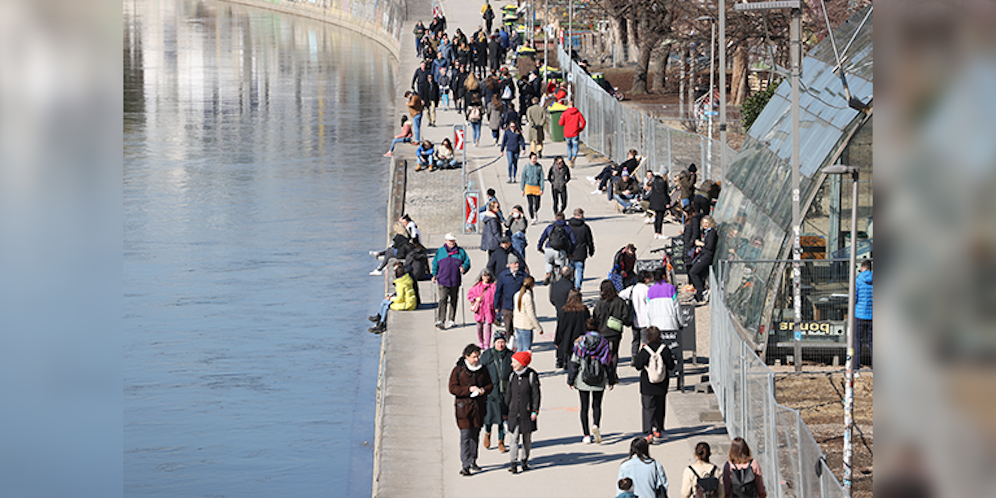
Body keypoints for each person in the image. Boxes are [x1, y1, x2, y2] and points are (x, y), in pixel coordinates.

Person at [448, 344, 493, 476]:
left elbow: (490, 385)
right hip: (464, 409)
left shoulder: (483, 369)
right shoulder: (458, 370)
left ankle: (473, 460)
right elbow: (452, 388)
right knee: (465, 437)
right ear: (466, 356)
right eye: (474, 357)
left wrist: (483, 390)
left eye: (478, 356)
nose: (476, 359)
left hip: (479, 408)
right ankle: (465, 465)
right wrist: (468, 390)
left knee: (475, 436)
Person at [567, 325, 614, 443]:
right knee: (597, 405)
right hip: (599, 378)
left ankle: (586, 435)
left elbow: (574, 362)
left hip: (583, 379)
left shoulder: (580, 343)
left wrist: (571, 379)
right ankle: (596, 425)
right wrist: (611, 379)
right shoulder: (604, 343)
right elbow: (608, 363)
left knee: (584, 407)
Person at [633, 326, 676, 443]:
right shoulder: (664, 349)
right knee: (660, 406)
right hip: (662, 383)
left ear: (648, 337)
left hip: (647, 383)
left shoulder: (645, 350)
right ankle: (658, 429)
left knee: (648, 407)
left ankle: (648, 432)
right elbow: (671, 366)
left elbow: (638, 366)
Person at [505, 350, 541, 474]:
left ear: (522, 363)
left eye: (514, 362)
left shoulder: (531, 375)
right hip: (514, 413)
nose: (512, 364)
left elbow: (536, 395)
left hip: (527, 413)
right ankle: (513, 463)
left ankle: (524, 460)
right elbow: (508, 395)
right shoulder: (512, 376)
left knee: (527, 439)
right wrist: (505, 411)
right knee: (513, 439)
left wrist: (535, 410)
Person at [480, 332, 512, 453]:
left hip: (505, 392)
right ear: (494, 343)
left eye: (502, 342)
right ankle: (487, 433)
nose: (500, 344)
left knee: (502, 419)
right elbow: (481, 370)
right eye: (498, 342)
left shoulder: (510, 355)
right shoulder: (487, 355)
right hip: (491, 392)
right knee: (489, 417)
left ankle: (501, 441)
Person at [432, 233, 472, 329]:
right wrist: (434, 274)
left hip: (455, 280)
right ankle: (441, 320)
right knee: (443, 299)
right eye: (450, 240)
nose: (452, 242)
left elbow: (467, 262)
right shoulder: (440, 251)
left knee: (454, 300)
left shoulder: (460, 251)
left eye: (453, 240)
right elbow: (435, 264)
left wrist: (464, 268)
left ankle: (451, 319)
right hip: (442, 279)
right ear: (446, 241)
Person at [592, 279, 631, 373]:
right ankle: (613, 372)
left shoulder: (600, 303)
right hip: (615, 332)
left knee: (603, 352)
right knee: (614, 352)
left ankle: (605, 371)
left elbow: (595, 317)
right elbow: (626, 316)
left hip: (603, 331)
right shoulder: (620, 301)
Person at [367, 264, 417, 333]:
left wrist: (391, 299)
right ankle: (380, 318)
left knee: (386, 306)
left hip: (407, 304)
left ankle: (381, 324)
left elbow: (400, 298)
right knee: (385, 301)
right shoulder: (406, 279)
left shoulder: (400, 283)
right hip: (411, 302)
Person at [536, 211, 577, 285]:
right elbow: (573, 241)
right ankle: (559, 282)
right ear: (564, 219)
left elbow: (542, 238)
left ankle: (548, 273)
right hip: (561, 251)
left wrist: (539, 247)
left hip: (549, 249)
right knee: (561, 269)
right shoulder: (567, 228)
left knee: (548, 262)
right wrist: (570, 252)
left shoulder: (550, 227)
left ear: (555, 219)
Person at [621, 270, 654, 357]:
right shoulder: (647, 290)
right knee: (645, 341)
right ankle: (645, 357)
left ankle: (634, 356)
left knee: (635, 340)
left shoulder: (632, 288)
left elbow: (621, 295)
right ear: (645, 279)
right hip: (645, 320)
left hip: (634, 319)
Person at [555, 289, 589, 369]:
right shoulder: (584, 310)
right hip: (580, 338)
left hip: (568, 338)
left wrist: (557, 340)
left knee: (570, 358)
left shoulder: (564, 311)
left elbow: (560, 327)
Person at [494, 253, 527, 337]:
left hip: (519, 306)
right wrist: (497, 306)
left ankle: (520, 342)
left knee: (520, 327)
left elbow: (528, 290)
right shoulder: (503, 275)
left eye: (517, 263)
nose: (517, 265)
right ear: (509, 265)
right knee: (508, 328)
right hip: (507, 306)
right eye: (515, 263)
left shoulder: (523, 275)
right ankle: (510, 342)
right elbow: (498, 291)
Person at [689, 216, 718, 303]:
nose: (705, 224)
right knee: (700, 275)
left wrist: (701, 244)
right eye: (703, 223)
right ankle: (699, 296)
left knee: (693, 272)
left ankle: (702, 290)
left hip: (707, 256)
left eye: (707, 223)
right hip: (704, 254)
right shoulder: (706, 232)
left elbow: (709, 246)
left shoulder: (712, 233)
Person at [467, 269, 498, 349]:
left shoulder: (493, 286)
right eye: (485, 276)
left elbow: (498, 297)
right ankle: (481, 341)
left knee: (488, 326)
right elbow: (469, 294)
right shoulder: (477, 286)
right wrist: (475, 298)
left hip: (489, 308)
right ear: (481, 276)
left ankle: (487, 344)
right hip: (480, 309)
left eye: (488, 276)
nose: (486, 278)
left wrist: (497, 306)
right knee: (479, 326)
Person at [512, 276, 542, 351]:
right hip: (526, 326)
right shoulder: (527, 296)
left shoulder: (517, 294)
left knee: (520, 348)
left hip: (518, 325)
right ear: (532, 285)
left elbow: (515, 310)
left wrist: (514, 323)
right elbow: (531, 314)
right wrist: (538, 328)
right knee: (526, 350)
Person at [567, 208, 595, 289]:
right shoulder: (585, 227)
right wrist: (591, 250)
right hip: (581, 253)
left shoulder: (569, 227)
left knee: (570, 271)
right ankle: (577, 288)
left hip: (571, 252)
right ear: (581, 215)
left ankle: (571, 287)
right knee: (579, 271)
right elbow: (589, 241)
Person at [854, 260, 873, 372]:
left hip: (860, 315)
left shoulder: (858, 280)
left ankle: (856, 367)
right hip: (873, 316)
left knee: (857, 341)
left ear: (862, 268)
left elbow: (854, 297)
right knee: (873, 343)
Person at [559, 100, 586, 167]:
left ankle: (570, 160)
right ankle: (574, 156)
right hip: (575, 133)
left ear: (568, 105)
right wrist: (581, 129)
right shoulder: (578, 113)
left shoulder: (564, 113)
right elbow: (583, 121)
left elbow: (560, 123)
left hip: (567, 133)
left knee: (569, 147)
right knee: (575, 147)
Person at [520, 152, 545, 219]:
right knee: (530, 204)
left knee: (537, 204)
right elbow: (523, 178)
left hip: (537, 187)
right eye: (533, 158)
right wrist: (522, 189)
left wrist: (541, 188)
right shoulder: (526, 167)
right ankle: (532, 217)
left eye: (535, 158)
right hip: (529, 187)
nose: (534, 160)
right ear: (530, 159)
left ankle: (535, 211)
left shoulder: (539, 167)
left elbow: (542, 178)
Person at [646, 172, 671, 238]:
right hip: (660, 202)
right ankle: (659, 233)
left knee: (656, 217)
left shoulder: (655, 180)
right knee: (660, 218)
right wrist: (666, 203)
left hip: (654, 201)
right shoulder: (661, 182)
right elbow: (662, 194)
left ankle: (656, 233)